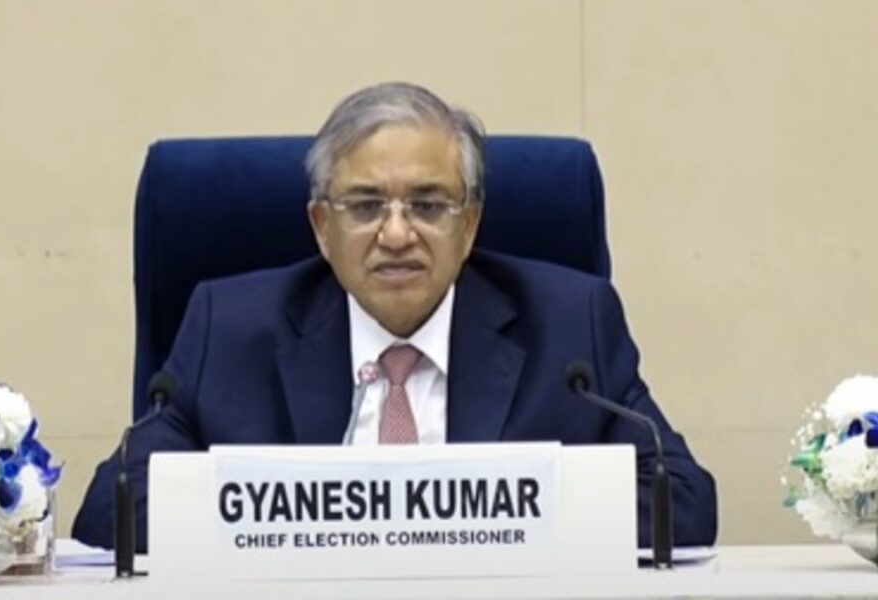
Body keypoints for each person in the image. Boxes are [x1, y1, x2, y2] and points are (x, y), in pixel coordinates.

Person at [73, 82, 717, 551]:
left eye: (429, 206)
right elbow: (110, 512)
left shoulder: (572, 327)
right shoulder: (230, 330)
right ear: (321, 228)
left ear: (470, 225)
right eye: (365, 206)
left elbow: (683, 505)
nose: (398, 234)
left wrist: (478, 523)